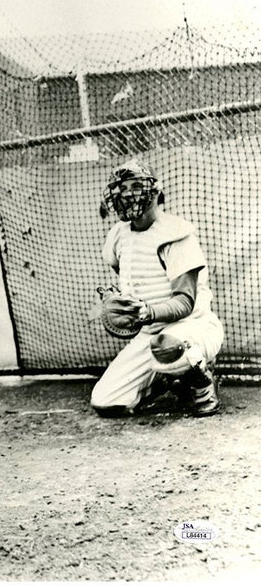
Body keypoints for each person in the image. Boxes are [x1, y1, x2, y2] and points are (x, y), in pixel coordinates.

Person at [90, 160, 224, 417]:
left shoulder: (176, 233)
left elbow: (185, 302)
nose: (128, 193)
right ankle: (166, 379)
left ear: (154, 191)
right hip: (149, 334)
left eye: (136, 186)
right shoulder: (118, 235)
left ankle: (202, 383)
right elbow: (132, 278)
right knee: (106, 401)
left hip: (194, 327)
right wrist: (119, 303)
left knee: (168, 345)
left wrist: (147, 311)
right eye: (122, 187)